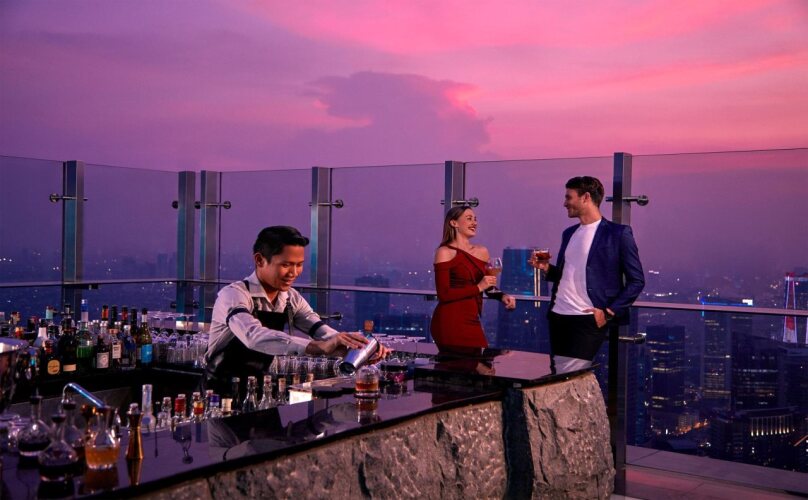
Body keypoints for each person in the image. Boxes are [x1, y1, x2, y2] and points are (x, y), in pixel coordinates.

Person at [205, 226, 389, 395]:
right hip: (218, 391)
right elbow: (253, 336)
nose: (294, 273)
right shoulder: (233, 295)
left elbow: (320, 330)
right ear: (259, 260)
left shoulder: (291, 298)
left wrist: (357, 347)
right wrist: (318, 347)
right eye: (286, 265)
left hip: (260, 389)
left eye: (299, 264)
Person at [530, 176, 644, 371]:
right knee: (559, 375)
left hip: (587, 320)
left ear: (586, 197)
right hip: (557, 316)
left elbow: (637, 281)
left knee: (572, 375)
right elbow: (566, 276)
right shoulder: (568, 233)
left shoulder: (618, 234)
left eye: (569, 197)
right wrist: (547, 268)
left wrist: (609, 312)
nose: (564, 203)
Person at [430, 206, 516, 353]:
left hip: (472, 319)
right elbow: (443, 294)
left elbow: (488, 286)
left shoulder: (482, 251)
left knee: (481, 363)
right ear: (454, 223)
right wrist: (478, 287)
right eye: (469, 219)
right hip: (449, 321)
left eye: (475, 219)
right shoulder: (444, 252)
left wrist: (503, 296)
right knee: (460, 365)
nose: (474, 223)